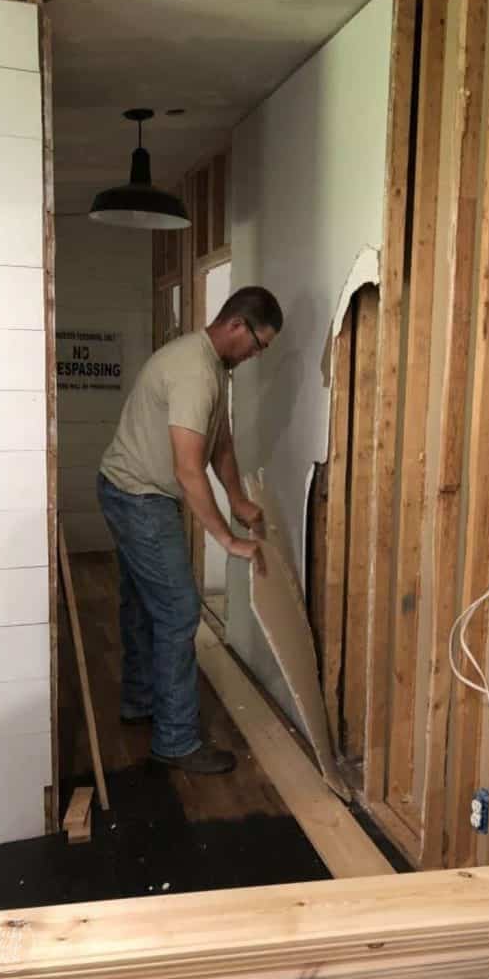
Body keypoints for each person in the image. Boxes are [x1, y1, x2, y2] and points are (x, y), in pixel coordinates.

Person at [97, 286, 283, 775]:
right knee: (179, 610)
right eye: (259, 345)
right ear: (237, 326)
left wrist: (238, 497)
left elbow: (218, 443)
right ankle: (176, 740)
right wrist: (225, 537)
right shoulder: (195, 372)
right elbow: (187, 469)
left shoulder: (217, 369)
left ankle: (141, 702)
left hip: (127, 487)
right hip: (139, 496)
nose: (257, 355)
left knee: (142, 601)